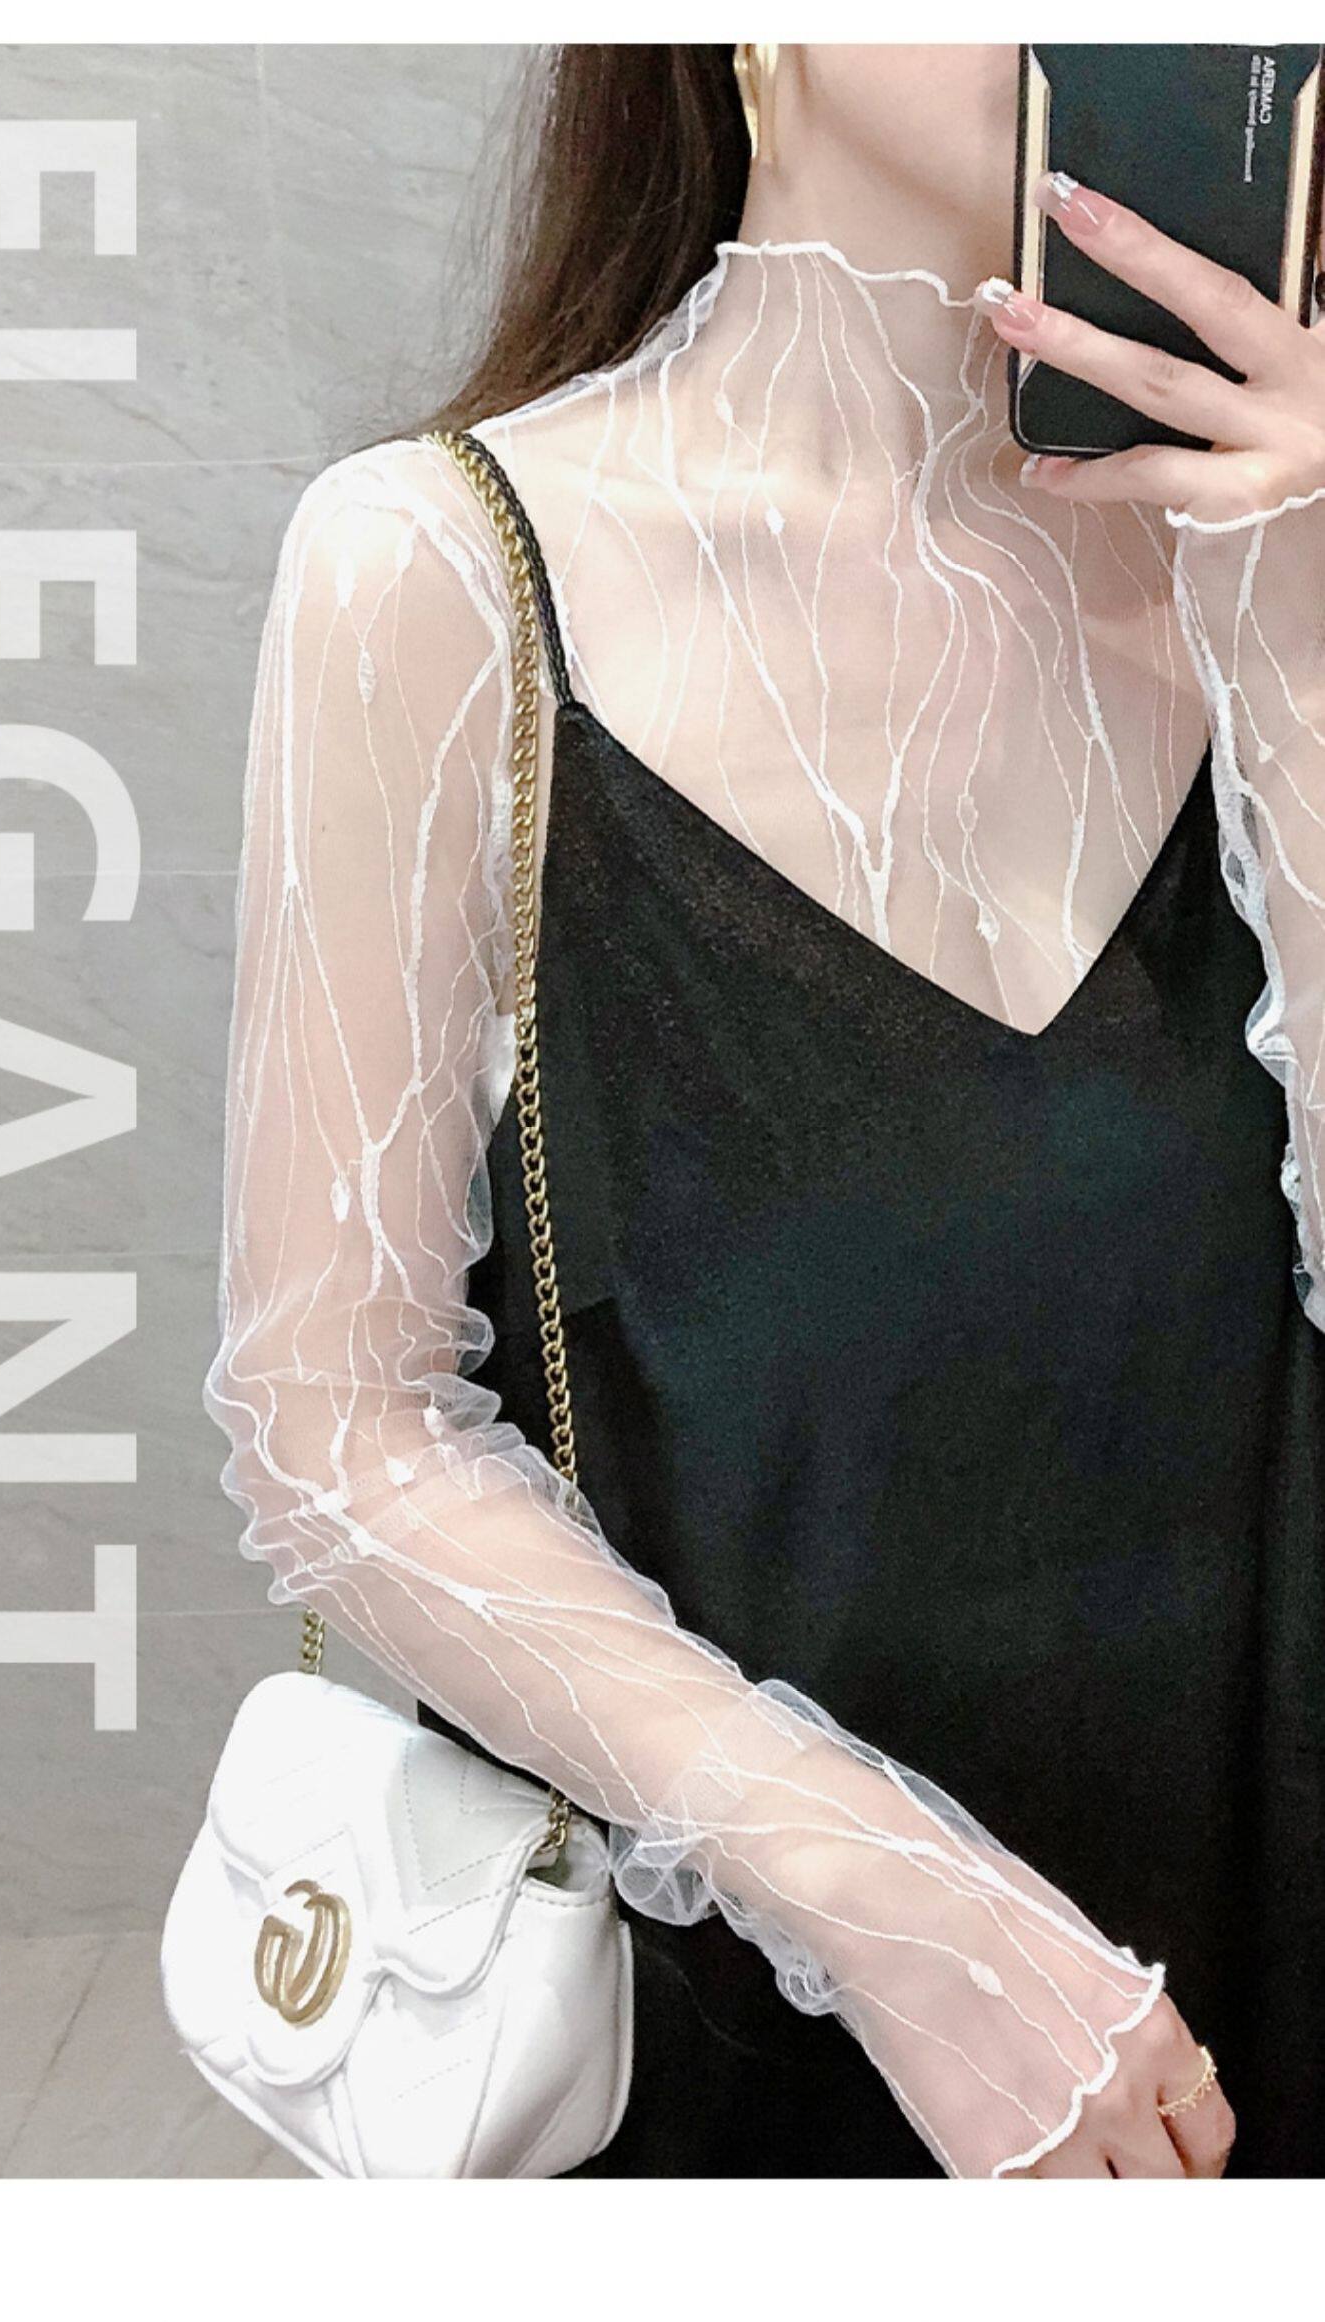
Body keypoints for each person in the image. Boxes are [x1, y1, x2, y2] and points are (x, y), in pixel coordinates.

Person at [203, 44, 1325, 2176]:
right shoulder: (433, 571)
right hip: (753, 2018)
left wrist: (1301, 646)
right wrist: (902, 1919)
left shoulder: (1264, 556)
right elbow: (329, 1425)